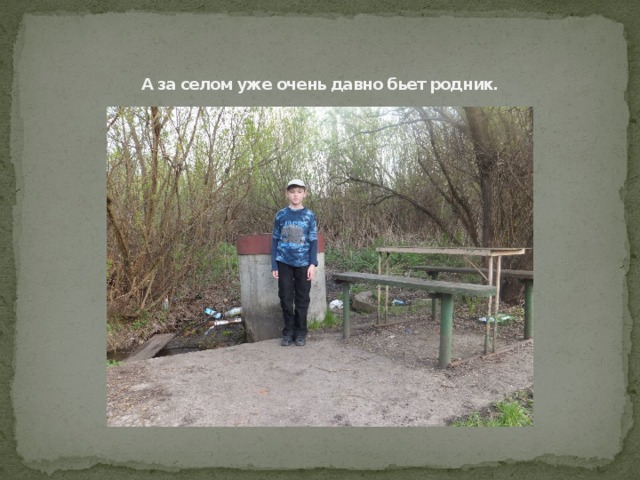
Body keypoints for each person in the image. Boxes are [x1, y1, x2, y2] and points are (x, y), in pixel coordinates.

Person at [271, 179, 318, 347]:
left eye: (299, 191)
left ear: (304, 194)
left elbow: (313, 240)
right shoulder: (281, 215)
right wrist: (274, 264)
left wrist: (313, 264)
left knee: (302, 298)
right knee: (285, 297)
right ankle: (288, 332)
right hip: (284, 262)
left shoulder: (309, 215)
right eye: (292, 192)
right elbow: (275, 239)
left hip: (304, 263)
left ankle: (300, 332)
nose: (295, 194)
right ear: (287, 194)